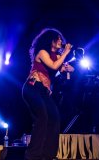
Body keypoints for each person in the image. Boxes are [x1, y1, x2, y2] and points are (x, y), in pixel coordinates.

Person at [22, 28, 74, 160]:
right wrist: (66, 52)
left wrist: (69, 70)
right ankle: (33, 155)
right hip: (32, 87)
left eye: (61, 39)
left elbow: (61, 68)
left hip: (43, 91)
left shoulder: (57, 56)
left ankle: (48, 154)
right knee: (42, 117)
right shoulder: (42, 52)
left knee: (54, 117)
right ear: (50, 40)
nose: (61, 41)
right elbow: (53, 66)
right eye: (58, 39)